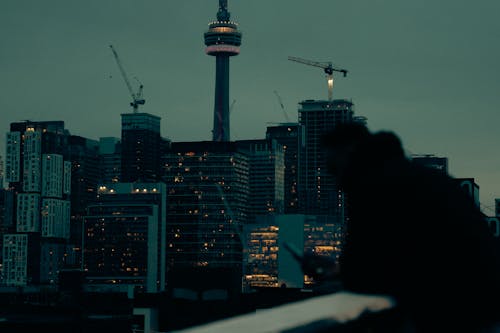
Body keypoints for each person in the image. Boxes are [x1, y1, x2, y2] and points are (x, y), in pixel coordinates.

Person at [322, 123, 500, 332]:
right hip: (476, 302)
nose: (335, 179)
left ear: (348, 153)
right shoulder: (423, 178)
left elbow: (364, 269)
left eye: (333, 167)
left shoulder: (372, 186)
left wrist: (336, 275)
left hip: (444, 307)